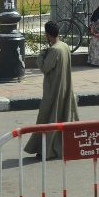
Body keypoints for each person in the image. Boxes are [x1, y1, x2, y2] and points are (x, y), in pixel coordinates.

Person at [24, 21, 79, 160]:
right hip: (64, 88)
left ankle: (47, 150)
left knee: (48, 118)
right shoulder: (64, 46)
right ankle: (60, 147)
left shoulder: (54, 50)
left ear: (48, 34)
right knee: (61, 117)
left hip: (53, 90)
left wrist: (41, 56)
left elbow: (44, 68)